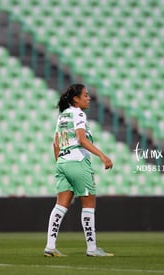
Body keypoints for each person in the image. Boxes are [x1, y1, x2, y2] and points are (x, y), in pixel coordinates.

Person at [44, 84, 114, 257]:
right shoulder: (78, 114)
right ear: (76, 99)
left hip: (62, 162)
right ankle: (92, 249)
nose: (88, 98)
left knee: (60, 205)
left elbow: (56, 143)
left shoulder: (62, 116)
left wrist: (61, 162)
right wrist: (102, 156)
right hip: (78, 161)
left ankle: (50, 247)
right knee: (89, 204)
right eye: (85, 95)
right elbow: (82, 140)